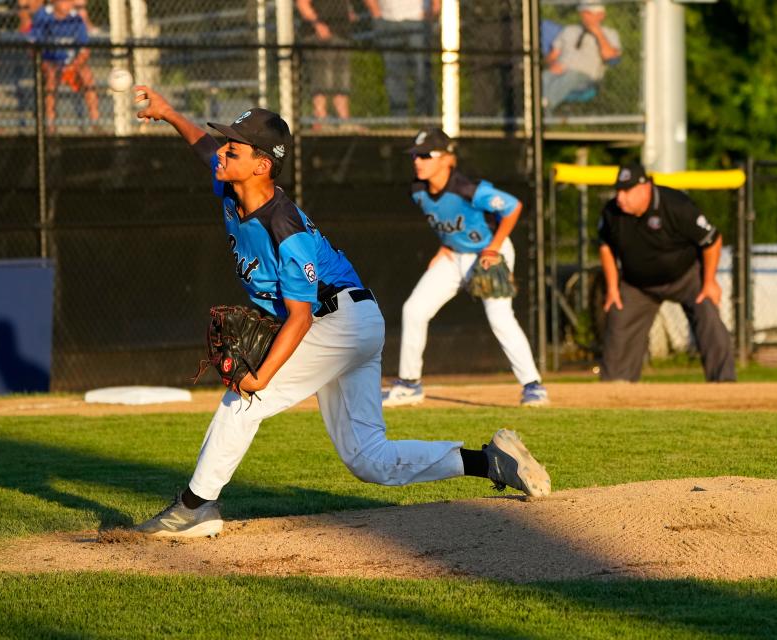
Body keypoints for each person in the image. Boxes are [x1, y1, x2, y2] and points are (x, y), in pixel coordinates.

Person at [126, 88, 552, 537]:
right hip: (353, 320)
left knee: (245, 397)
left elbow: (300, 317)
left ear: (262, 165)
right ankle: (490, 462)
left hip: (336, 321)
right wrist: (171, 113)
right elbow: (203, 147)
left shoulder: (284, 227)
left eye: (235, 145)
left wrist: (263, 375)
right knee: (369, 459)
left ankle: (196, 508)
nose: (222, 150)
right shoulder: (234, 187)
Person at [382, 128, 549, 408]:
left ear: (447, 159)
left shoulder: (468, 187)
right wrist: (444, 246)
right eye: (415, 155)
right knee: (414, 310)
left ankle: (533, 386)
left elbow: (513, 207)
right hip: (454, 256)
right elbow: (446, 222)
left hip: (488, 253)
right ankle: (410, 385)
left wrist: (494, 248)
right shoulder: (418, 190)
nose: (418, 161)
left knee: (500, 318)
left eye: (425, 155)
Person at [597, 163, 736, 382]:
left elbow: (712, 241)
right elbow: (605, 246)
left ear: (646, 187)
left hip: (686, 276)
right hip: (638, 284)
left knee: (708, 315)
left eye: (627, 190)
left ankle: (724, 383)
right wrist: (613, 288)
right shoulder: (612, 213)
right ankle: (615, 393)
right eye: (618, 190)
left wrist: (709, 281)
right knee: (619, 323)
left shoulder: (676, 205)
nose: (620, 197)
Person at [362, 0, 438, 118]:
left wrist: (434, 8)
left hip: (418, 19)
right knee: (394, 73)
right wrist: (376, 12)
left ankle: (425, 116)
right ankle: (399, 118)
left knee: (421, 71)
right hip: (388, 20)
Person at [29, 0, 98, 128]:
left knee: (87, 75)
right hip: (50, 62)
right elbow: (33, 47)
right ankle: (51, 124)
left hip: (71, 62)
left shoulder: (76, 18)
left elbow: (85, 50)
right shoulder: (43, 15)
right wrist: (44, 63)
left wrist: (73, 66)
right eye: (64, 1)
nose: (68, 4)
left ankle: (95, 121)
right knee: (51, 76)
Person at [542, 2, 620, 113]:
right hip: (560, 71)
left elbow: (609, 56)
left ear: (601, 15)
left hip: (585, 77)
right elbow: (553, 55)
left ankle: (544, 104)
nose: (585, 16)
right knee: (544, 77)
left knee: (571, 77)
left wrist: (598, 33)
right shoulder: (568, 30)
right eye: (583, 12)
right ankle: (542, 107)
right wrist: (552, 64)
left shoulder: (610, 34)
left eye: (589, 13)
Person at [296, 0, 353, 127]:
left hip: (341, 33)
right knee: (322, 77)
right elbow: (302, 4)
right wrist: (318, 24)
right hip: (318, 35)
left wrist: (349, 11)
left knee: (342, 79)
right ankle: (321, 119)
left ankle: (344, 121)